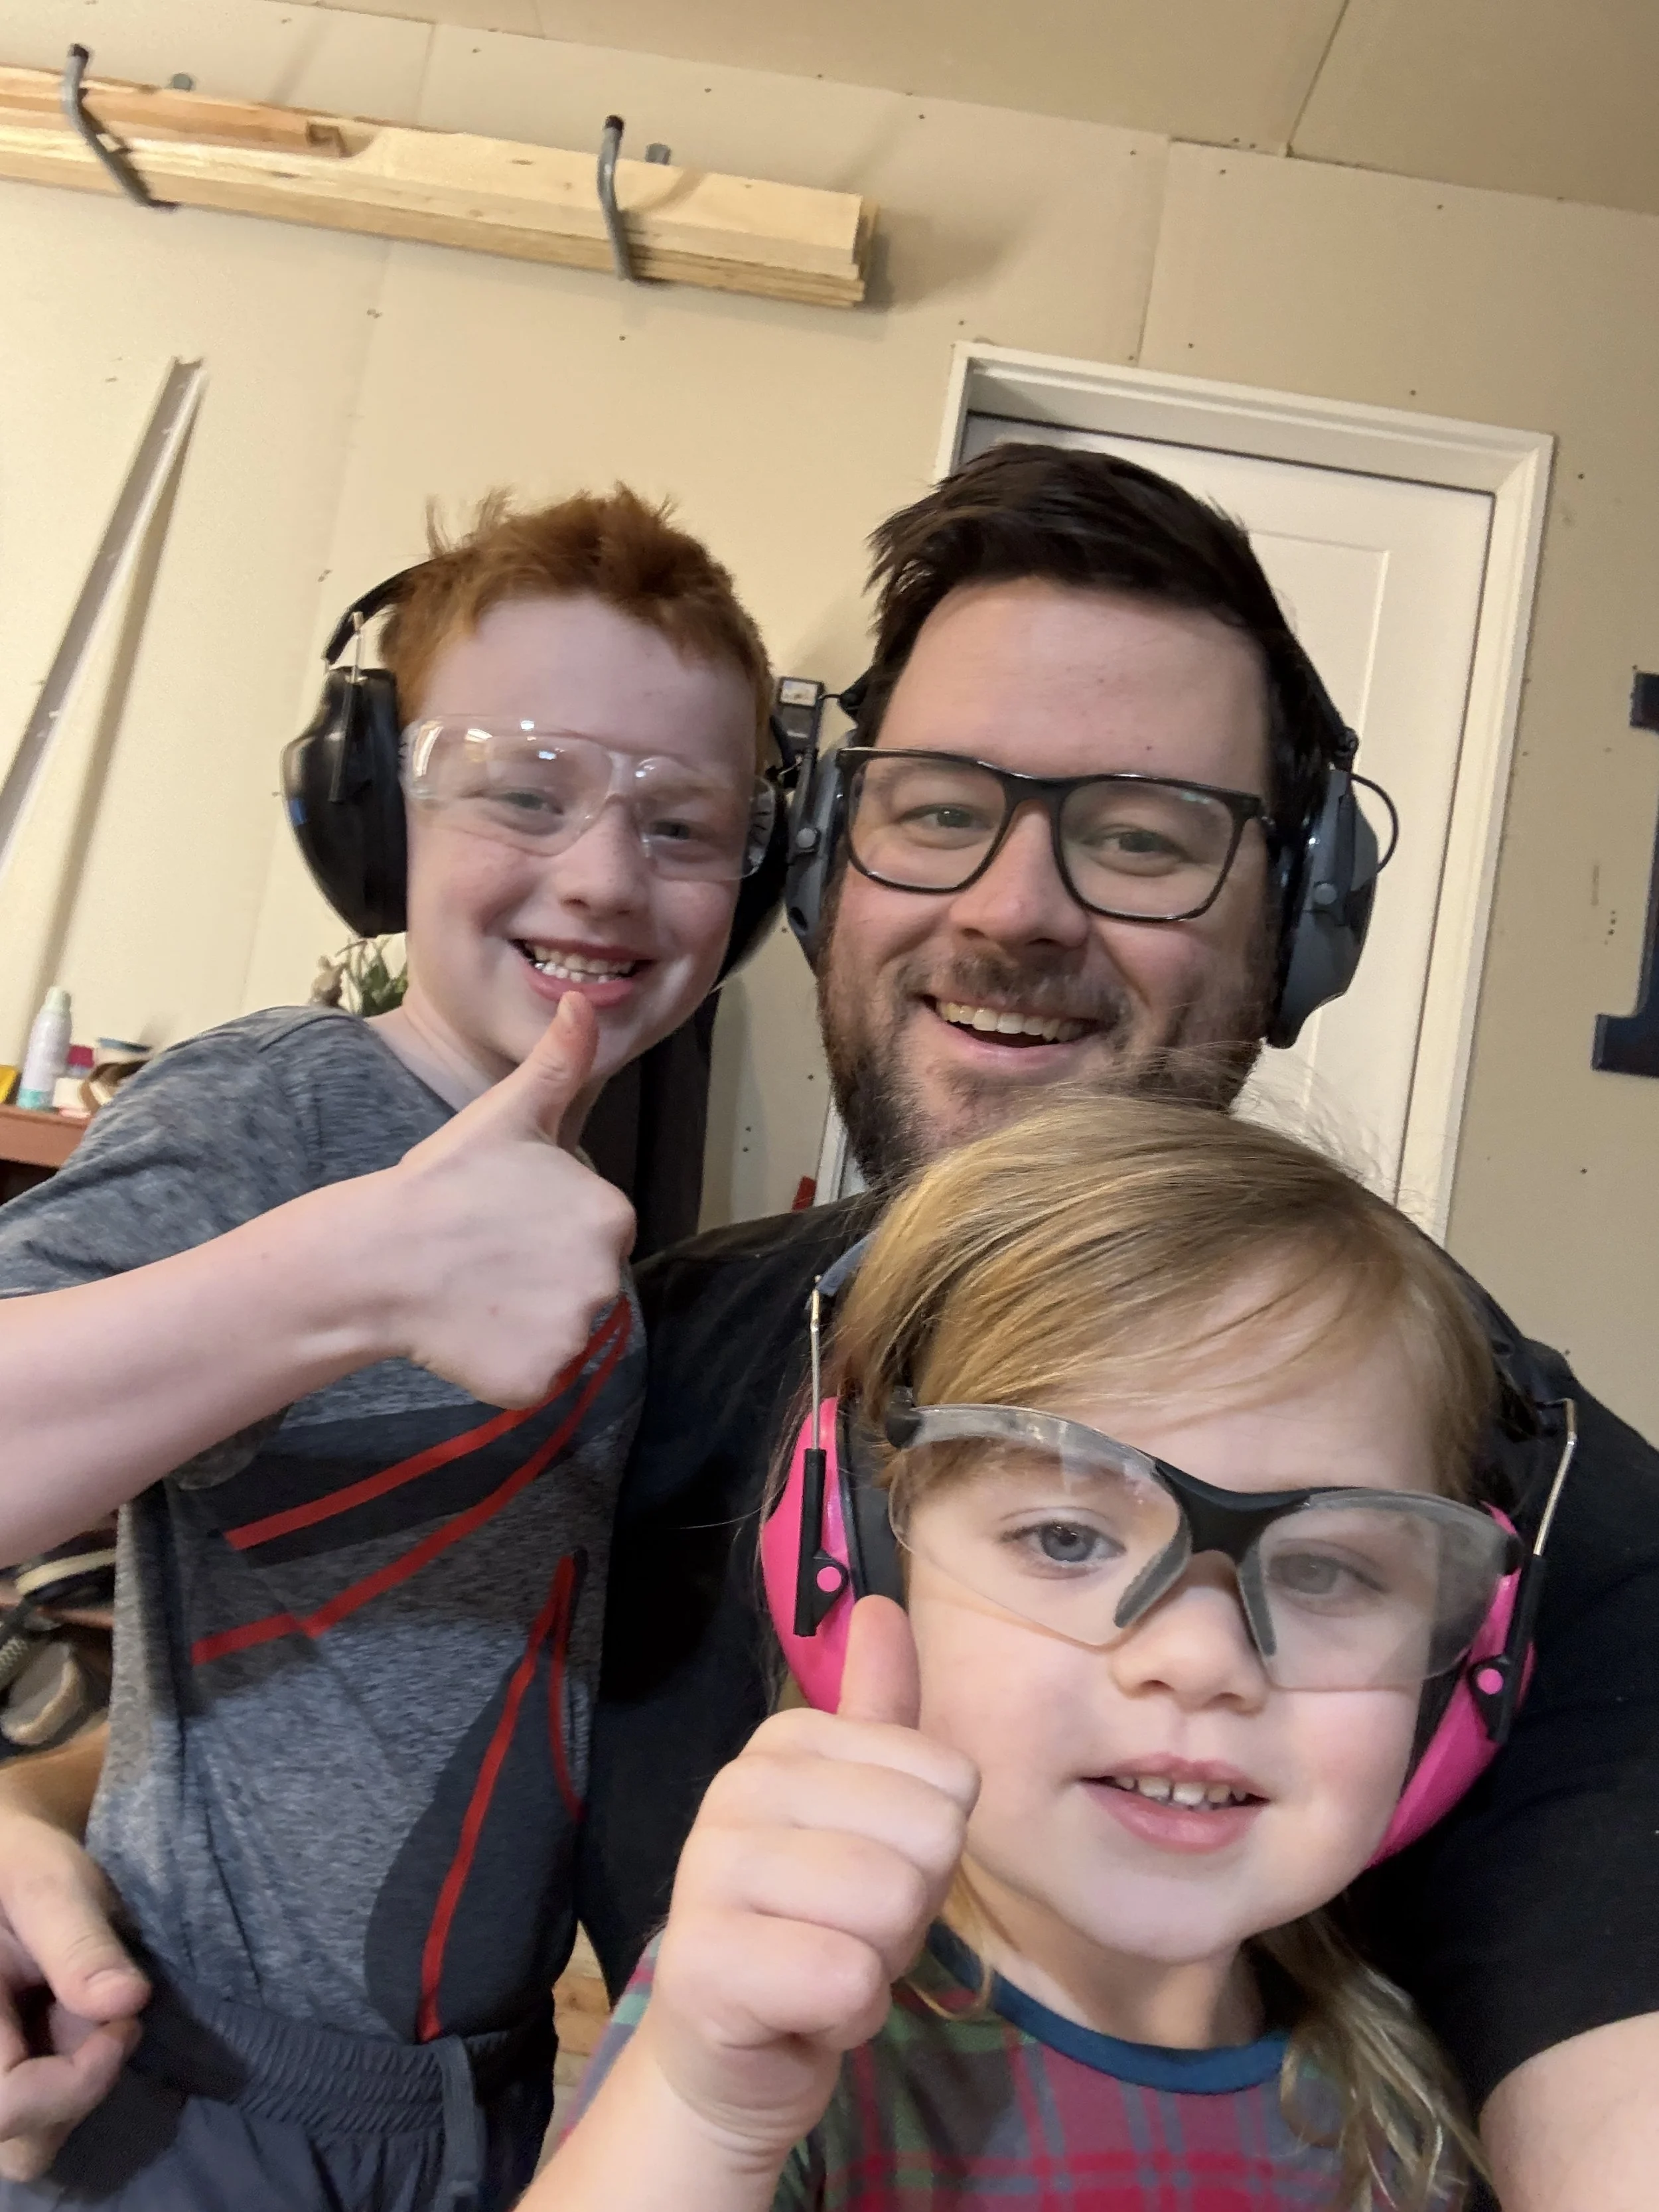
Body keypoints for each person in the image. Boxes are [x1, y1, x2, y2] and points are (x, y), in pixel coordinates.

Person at [6, 446, 1658, 2205]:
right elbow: (388, 1675)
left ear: (1300, 920)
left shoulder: (1519, 1498)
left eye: (1142, 838)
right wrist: (37, 1827)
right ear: (822, 872)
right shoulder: (656, 1347)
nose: (1013, 910)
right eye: (939, 810)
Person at [0, 485, 775, 2208]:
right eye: (522, 789)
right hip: (191, 2090)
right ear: (375, 815)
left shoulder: (588, 1242)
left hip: (477, 2108)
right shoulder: (278, 1107)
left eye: (680, 823)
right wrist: (345, 1273)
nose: (599, 873)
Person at [544, 1096, 1512, 2211]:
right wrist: (701, 2112)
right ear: (860, 1563)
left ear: (1475, 1650)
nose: (1199, 1660)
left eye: (1325, 1571)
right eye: (1067, 1538)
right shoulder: (769, 2025)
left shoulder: (1409, 2109)